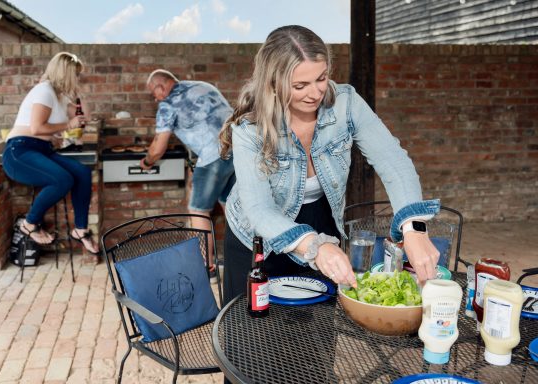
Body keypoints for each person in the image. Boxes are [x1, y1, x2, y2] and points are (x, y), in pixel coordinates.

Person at [219, 25, 441, 303]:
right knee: (254, 334)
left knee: (316, 328)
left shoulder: (346, 103)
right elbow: (260, 209)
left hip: (320, 221)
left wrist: (413, 228)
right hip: (257, 238)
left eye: (321, 78)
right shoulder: (249, 129)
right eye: (300, 86)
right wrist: (314, 246)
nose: (315, 94)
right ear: (273, 83)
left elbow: (393, 160)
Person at [3, 52, 99, 255]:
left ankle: (80, 230)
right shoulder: (43, 91)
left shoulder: (60, 96)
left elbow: (84, 117)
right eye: (76, 74)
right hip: (20, 151)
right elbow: (37, 128)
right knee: (61, 180)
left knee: (82, 172)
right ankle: (29, 224)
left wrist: (79, 92)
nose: (78, 78)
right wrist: (68, 124)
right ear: (65, 73)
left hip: (42, 150)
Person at [141, 69, 236, 274]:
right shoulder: (204, 85)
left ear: (162, 86)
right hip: (238, 150)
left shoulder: (167, 105)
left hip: (212, 156)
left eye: (154, 93)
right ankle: (241, 258)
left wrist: (147, 162)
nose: (155, 98)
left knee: (198, 209)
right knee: (231, 205)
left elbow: (158, 148)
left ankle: (205, 266)